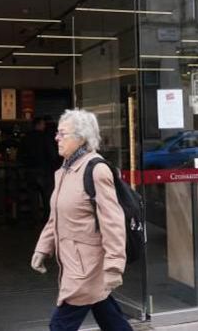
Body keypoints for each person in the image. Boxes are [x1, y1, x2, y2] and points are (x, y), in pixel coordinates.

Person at [30, 109, 131, 331]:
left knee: (60, 325)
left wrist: (114, 265)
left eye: (62, 133)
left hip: (87, 266)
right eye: (57, 133)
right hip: (73, 261)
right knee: (110, 318)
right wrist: (42, 249)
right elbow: (55, 217)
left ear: (81, 137)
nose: (56, 138)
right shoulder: (64, 171)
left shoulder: (96, 170)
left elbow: (113, 222)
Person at [19, 117, 61, 221]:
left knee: (33, 197)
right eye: (42, 124)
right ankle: (47, 219)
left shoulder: (26, 138)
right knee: (46, 196)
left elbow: (20, 155)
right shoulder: (45, 137)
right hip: (44, 171)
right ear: (38, 125)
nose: (44, 126)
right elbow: (52, 154)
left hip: (30, 171)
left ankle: (35, 218)